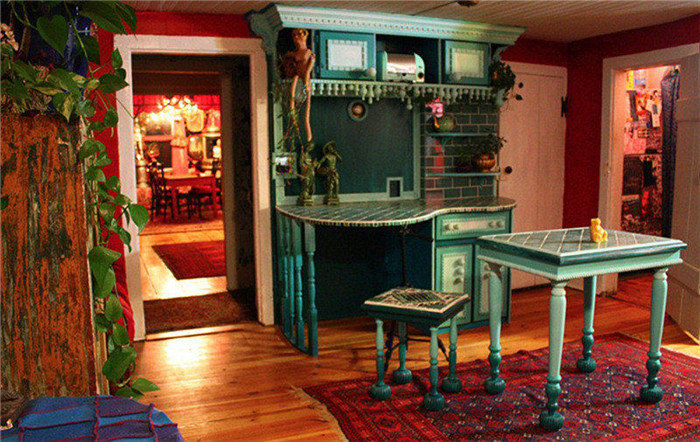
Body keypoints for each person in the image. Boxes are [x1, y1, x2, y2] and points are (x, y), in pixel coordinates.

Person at [284, 28, 315, 143]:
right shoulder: (295, 53)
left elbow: (308, 63)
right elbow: (291, 57)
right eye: (294, 35)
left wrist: (308, 70)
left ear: (305, 36)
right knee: (291, 99)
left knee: (307, 107)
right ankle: (291, 126)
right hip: (297, 76)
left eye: (298, 35)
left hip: (305, 77)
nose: (296, 37)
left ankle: (308, 132)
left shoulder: (308, 52)